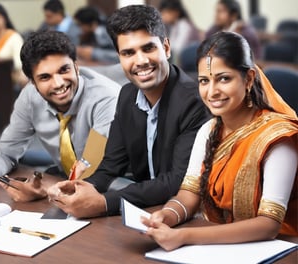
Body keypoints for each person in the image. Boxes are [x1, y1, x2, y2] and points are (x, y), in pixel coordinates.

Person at [46, 5, 209, 218]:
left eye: (148, 48)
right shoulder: (127, 95)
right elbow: (111, 165)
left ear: (166, 48)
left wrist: (105, 203)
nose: (140, 61)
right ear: (120, 57)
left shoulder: (194, 101)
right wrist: (79, 189)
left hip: (187, 212)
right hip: (145, 208)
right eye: (128, 53)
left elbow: (176, 181)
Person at [142, 31, 298, 251]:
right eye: (204, 81)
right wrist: (167, 216)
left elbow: (269, 224)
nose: (212, 91)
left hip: (275, 250)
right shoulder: (209, 129)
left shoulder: (278, 138)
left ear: (249, 79)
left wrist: (184, 235)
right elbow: (189, 194)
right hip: (216, 245)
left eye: (224, 78)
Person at [0, 30, 120, 202]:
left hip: (117, 181)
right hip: (65, 174)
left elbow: (93, 174)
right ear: (32, 82)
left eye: (64, 70)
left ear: (76, 67)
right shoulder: (29, 97)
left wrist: (45, 191)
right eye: (45, 77)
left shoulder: (106, 98)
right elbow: (6, 154)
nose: (58, 83)